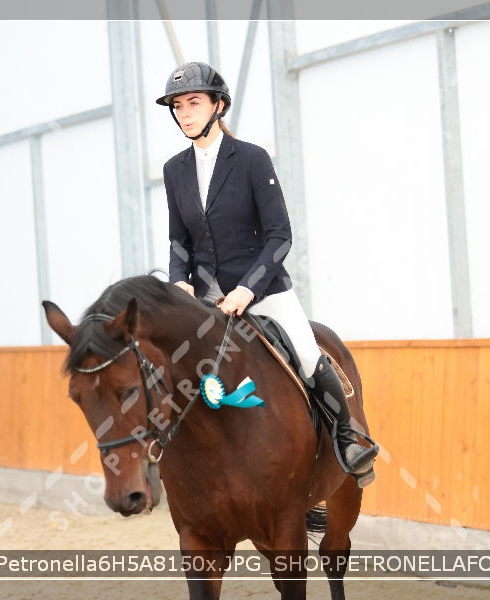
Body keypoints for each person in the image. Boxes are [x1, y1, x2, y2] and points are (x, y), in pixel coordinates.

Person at [156, 61, 377, 477]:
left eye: (193, 103)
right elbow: (178, 241)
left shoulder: (253, 160)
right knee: (171, 369)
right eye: (177, 105)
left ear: (218, 105)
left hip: (265, 290)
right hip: (205, 299)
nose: (184, 112)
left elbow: (280, 236)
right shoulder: (174, 171)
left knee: (310, 356)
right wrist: (179, 282)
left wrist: (246, 290)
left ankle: (347, 440)